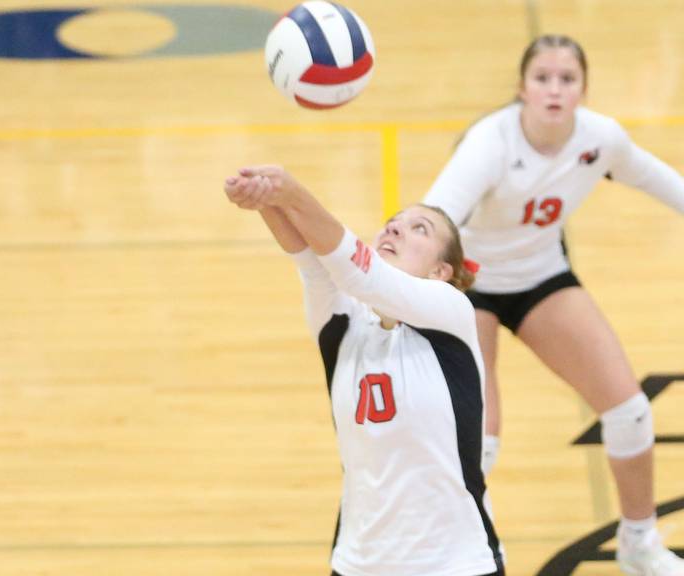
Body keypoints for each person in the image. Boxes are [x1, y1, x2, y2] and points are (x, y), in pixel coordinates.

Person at [423, 34, 684, 576]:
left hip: (541, 276)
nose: (555, 90)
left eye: (567, 80)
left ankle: (639, 543)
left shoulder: (600, 139)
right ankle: (463, 555)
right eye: (543, 78)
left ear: (584, 90)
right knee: (481, 440)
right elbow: (435, 217)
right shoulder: (490, 143)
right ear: (521, 88)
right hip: (471, 284)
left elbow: (661, 181)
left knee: (630, 410)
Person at [224, 165, 505, 576]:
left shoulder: (451, 313)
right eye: (391, 225)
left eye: (419, 229)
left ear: (441, 272)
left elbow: (361, 273)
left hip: (456, 563)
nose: (395, 231)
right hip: (359, 563)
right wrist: (264, 197)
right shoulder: (343, 325)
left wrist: (293, 192)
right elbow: (312, 261)